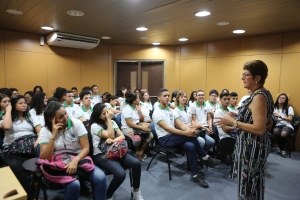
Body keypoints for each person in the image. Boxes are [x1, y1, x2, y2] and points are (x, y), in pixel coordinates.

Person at [214, 60, 274, 200]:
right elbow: (257, 117)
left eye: (246, 75)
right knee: (254, 183)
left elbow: (259, 129)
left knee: (247, 185)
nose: (242, 78)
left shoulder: (259, 97)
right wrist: (240, 115)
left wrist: (233, 122)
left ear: (257, 78)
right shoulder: (261, 93)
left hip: (252, 148)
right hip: (252, 146)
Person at [152, 88, 220, 188]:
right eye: (164, 96)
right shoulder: (156, 112)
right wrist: (186, 133)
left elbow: (180, 125)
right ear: (159, 97)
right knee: (191, 136)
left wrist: (188, 131)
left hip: (173, 137)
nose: (167, 97)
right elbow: (168, 129)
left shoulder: (170, 110)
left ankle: (195, 175)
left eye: (168, 95)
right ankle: (204, 157)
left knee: (191, 145)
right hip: (164, 139)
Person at [39, 102, 107, 200]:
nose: (66, 117)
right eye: (61, 116)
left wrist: (76, 160)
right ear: (51, 119)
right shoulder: (45, 131)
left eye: (65, 113)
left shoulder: (76, 123)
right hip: (59, 162)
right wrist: (53, 136)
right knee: (74, 185)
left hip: (79, 157)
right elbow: (45, 158)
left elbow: (86, 148)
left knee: (100, 177)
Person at [90, 103, 144, 200]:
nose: (107, 115)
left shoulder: (112, 122)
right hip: (101, 154)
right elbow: (110, 135)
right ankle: (108, 195)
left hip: (115, 150)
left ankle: (136, 190)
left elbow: (122, 136)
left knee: (136, 164)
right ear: (97, 116)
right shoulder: (95, 126)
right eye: (104, 114)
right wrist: (109, 122)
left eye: (107, 112)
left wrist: (113, 140)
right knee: (120, 174)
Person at [1, 95, 37, 200]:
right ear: (13, 105)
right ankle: (30, 196)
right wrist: (8, 111)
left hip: (30, 148)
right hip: (13, 150)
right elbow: (7, 126)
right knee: (16, 167)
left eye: (25, 103)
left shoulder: (30, 116)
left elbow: (39, 130)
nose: (24, 105)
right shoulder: (6, 117)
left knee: (42, 163)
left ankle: (37, 186)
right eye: (20, 103)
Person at [121, 92, 153, 161]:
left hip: (137, 126)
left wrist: (139, 111)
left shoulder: (135, 107)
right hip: (127, 128)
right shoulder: (127, 109)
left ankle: (140, 151)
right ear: (134, 101)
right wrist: (142, 128)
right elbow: (129, 123)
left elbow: (142, 119)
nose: (139, 100)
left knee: (150, 135)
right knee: (137, 139)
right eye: (138, 99)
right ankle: (137, 151)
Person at [273, 93, 294, 158]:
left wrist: (280, 116)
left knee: (283, 134)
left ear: (286, 100)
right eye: (280, 97)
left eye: (283, 98)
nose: (281, 99)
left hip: (287, 124)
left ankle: (282, 149)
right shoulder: (275, 107)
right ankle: (282, 149)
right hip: (278, 124)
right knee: (275, 132)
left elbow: (290, 119)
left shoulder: (289, 108)